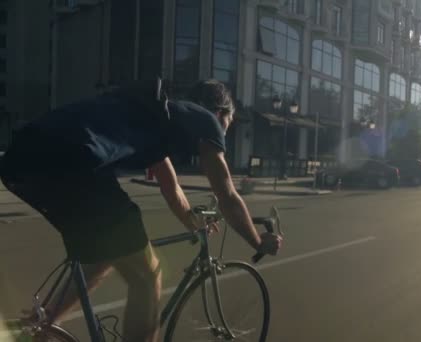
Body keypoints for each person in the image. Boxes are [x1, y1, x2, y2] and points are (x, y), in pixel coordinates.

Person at [0, 79, 282, 341]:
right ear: (220, 113)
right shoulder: (206, 120)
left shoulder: (158, 115)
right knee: (148, 274)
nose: (224, 134)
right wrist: (257, 240)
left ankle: (38, 327)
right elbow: (227, 195)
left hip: (22, 159)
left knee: (107, 251)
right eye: (228, 125)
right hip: (72, 161)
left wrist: (191, 220)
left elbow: (171, 188)